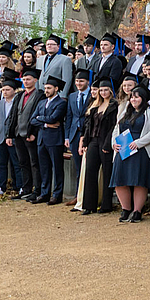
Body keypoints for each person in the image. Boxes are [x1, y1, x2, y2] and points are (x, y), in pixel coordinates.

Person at [110, 85, 150, 223]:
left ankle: (137, 211)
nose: (133, 99)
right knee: (119, 180)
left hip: (141, 150)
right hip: (123, 150)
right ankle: (126, 209)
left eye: (137, 97)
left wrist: (139, 143)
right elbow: (116, 128)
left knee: (139, 181)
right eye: (132, 97)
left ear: (144, 98)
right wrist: (114, 143)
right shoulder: (125, 112)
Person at [79, 77, 118, 214]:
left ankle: (106, 205)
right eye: (101, 90)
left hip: (106, 141)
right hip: (93, 141)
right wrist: (85, 142)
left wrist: (108, 144)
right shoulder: (95, 105)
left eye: (106, 90)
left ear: (111, 91)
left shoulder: (114, 106)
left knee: (107, 172)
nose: (103, 92)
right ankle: (89, 205)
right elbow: (88, 126)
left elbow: (114, 126)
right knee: (90, 171)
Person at [7, 67, 44, 201]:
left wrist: (34, 132)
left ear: (35, 80)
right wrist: (9, 134)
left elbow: (39, 115)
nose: (26, 82)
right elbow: (13, 115)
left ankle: (37, 189)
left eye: (29, 79)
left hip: (30, 134)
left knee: (34, 162)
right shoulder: (19, 96)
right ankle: (26, 189)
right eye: (24, 79)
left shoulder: (40, 95)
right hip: (18, 134)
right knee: (22, 162)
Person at [30, 75, 68, 204]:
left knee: (57, 168)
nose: (46, 90)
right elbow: (32, 119)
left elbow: (54, 118)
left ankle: (57, 195)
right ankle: (44, 193)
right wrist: (46, 124)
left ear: (56, 89)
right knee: (44, 168)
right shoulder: (41, 103)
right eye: (45, 88)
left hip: (55, 140)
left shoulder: (61, 103)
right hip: (42, 139)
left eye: (49, 88)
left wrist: (41, 119)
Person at [0, 77, 20, 196]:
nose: (5, 92)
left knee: (16, 164)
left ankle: (19, 186)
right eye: (3, 90)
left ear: (13, 90)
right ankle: (1, 186)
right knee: (1, 164)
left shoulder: (18, 102)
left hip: (13, 139)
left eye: (7, 89)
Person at [65, 69, 92, 208]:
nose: (79, 83)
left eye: (81, 81)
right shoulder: (72, 96)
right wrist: (67, 136)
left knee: (87, 166)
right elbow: (69, 116)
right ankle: (78, 195)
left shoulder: (92, 95)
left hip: (88, 133)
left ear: (87, 81)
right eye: (76, 81)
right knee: (77, 166)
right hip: (74, 134)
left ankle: (87, 195)